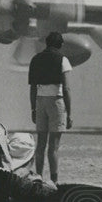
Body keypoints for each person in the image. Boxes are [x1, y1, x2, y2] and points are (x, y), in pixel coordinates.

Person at [29, 31, 73, 186]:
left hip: (40, 101)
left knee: (40, 144)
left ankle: (38, 177)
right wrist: (69, 113)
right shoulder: (63, 60)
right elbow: (66, 88)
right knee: (53, 147)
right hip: (56, 102)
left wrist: (33, 109)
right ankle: (54, 180)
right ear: (60, 44)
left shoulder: (35, 59)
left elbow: (33, 88)